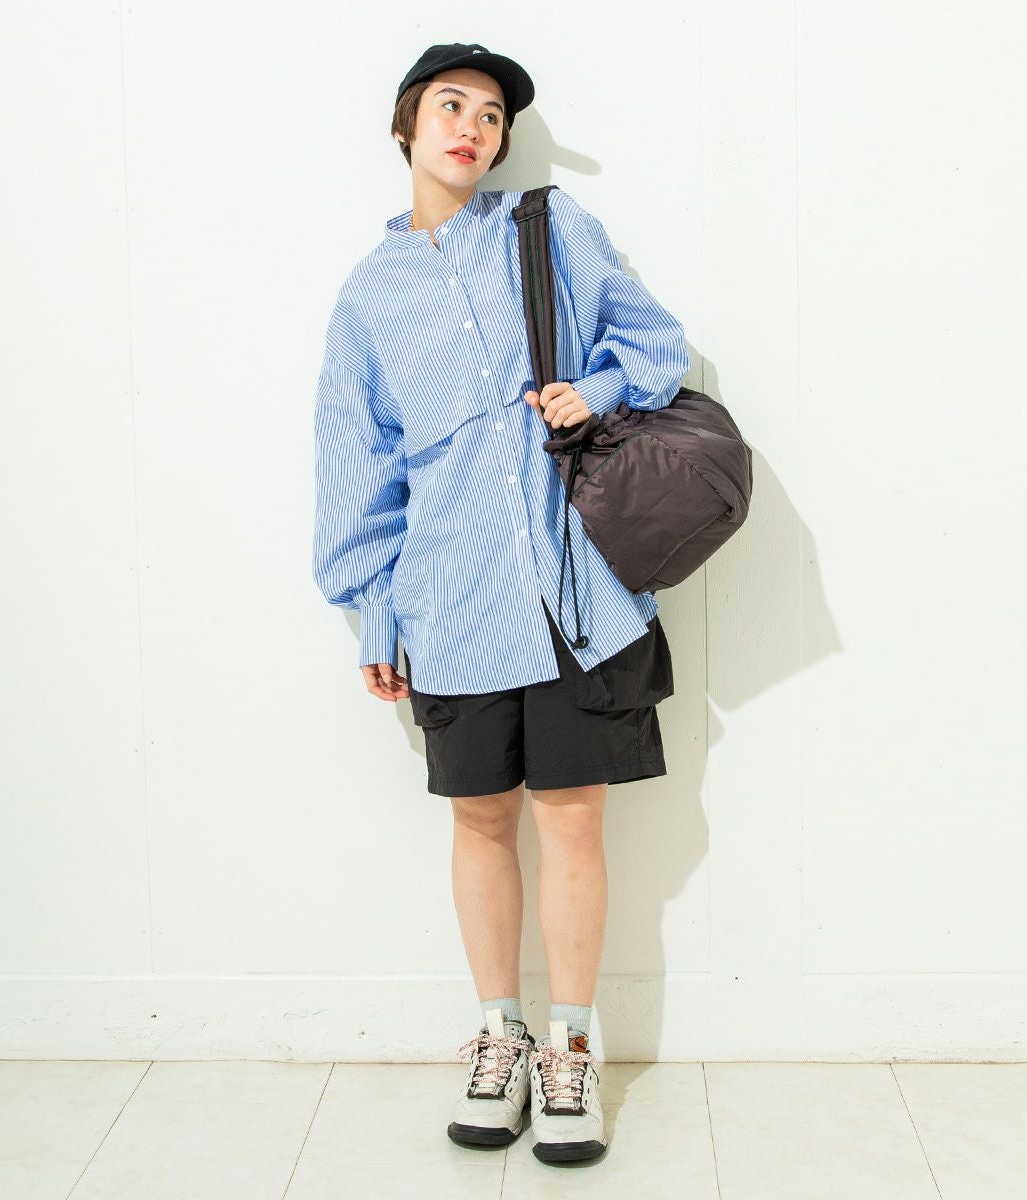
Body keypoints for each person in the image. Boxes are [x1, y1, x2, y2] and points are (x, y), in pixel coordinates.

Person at [311, 41, 691, 1164]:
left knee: (571, 817)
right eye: (450, 106)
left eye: (490, 115)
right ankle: (499, 1037)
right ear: (406, 125)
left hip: (580, 591)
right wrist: (379, 613)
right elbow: (359, 465)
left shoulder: (550, 229)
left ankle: (570, 1051)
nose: (472, 127)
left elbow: (655, 342)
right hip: (452, 600)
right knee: (481, 820)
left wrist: (597, 390)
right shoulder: (367, 299)